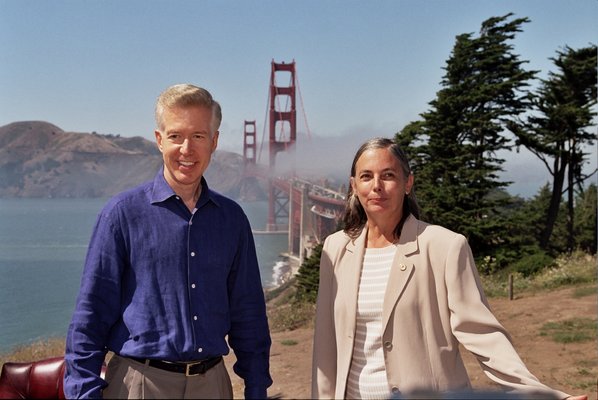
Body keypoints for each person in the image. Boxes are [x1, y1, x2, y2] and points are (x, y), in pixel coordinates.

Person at [311, 137, 587, 400]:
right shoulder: (335, 249)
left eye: (389, 175)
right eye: (366, 176)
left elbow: (482, 333)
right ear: (354, 186)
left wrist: (545, 395)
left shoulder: (445, 246)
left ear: (408, 183)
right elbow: (325, 346)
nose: (377, 186)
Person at [64, 84, 272, 399]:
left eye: (199, 136)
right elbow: (91, 313)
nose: (187, 149)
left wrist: (256, 390)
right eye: (176, 136)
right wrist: (82, 392)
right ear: (159, 141)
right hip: (140, 385)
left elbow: (249, 313)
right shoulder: (121, 215)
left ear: (214, 142)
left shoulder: (232, 220)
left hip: (212, 385)